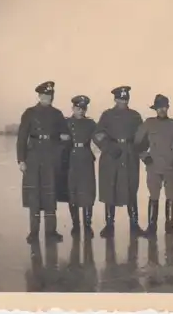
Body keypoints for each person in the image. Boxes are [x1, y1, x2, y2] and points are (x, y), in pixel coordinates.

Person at [16, 81, 71, 244]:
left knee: (50, 194)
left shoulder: (57, 114)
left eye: (50, 96)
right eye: (45, 96)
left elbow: (67, 136)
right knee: (34, 195)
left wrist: (61, 146)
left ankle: (51, 232)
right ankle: (33, 233)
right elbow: (21, 138)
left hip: (51, 159)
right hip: (33, 159)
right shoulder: (29, 113)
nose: (48, 98)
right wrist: (21, 160)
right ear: (39, 96)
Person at [93, 86, 146, 238]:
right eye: (120, 99)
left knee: (131, 188)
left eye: (125, 99)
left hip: (129, 156)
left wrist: (139, 149)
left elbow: (142, 136)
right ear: (115, 99)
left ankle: (134, 225)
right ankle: (109, 225)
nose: (123, 101)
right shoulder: (107, 115)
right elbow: (97, 135)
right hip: (111, 157)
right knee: (110, 187)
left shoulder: (135, 116)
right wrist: (109, 148)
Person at [134, 94, 173, 238]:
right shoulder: (148, 124)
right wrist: (145, 158)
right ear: (155, 109)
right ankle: (152, 227)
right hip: (154, 166)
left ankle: (169, 227)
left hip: (171, 167)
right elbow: (138, 143)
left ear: (168, 108)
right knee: (154, 196)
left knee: (171, 196)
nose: (162, 110)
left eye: (164, 107)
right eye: (159, 107)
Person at [66, 95, 97, 239]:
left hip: (86, 158)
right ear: (73, 108)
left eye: (83, 109)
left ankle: (87, 225)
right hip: (71, 159)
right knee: (72, 192)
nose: (81, 111)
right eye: (78, 108)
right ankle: (75, 225)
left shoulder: (90, 124)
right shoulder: (66, 123)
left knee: (88, 192)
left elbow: (100, 138)